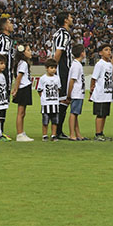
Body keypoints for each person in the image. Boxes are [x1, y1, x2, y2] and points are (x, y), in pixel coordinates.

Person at [51, 12, 74, 140]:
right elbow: (58, 52)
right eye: (70, 17)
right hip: (62, 70)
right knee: (63, 99)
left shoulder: (61, 33)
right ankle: (57, 131)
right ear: (65, 20)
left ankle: (58, 130)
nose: (72, 19)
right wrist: (54, 69)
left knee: (64, 100)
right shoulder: (63, 34)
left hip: (63, 69)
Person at [89, 43, 113, 141]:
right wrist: (92, 89)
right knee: (100, 114)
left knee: (104, 114)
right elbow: (94, 78)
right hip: (100, 94)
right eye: (106, 50)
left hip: (107, 93)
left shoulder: (109, 64)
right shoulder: (99, 64)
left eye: (109, 50)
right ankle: (98, 133)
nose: (109, 52)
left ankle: (101, 133)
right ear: (100, 53)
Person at [11, 44, 34, 142]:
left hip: (25, 87)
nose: (30, 52)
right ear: (23, 53)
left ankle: (21, 132)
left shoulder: (22, 63)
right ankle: (19, 134)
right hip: (23, 88)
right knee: (20, 113)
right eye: (28, 50)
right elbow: (19, 77)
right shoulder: (23, 63)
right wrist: (15, 89)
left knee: (23, 112)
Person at [37, 58, 61, 141]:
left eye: (55, 68)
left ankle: (53, 135)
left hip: (55, 103)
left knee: (55, 121)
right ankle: (45, 135)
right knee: (45, 121)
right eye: (51, 67)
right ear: (46, 68)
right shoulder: (43, 78)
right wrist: (44, 98)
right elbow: (39, 90)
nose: (53, 70)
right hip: (46, 103)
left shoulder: (57, 78)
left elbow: (58, 89)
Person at [67, 44, 87, 141]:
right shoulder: (76, 65)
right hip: (76, 93)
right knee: (73, 113)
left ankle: (78, 133)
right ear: (82, 53)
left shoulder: (77, 64)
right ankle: (72, 134)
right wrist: (69, 94)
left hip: (79, 93)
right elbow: (72, 80)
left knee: (75, 114)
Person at [0, 17, 15, 100]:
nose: (12, 24)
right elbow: (1, 57)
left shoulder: (5, 39)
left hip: (4, 73)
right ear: (6, 27)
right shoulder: (4, 40)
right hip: (4, 74)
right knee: (3, 100)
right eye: (10, 23)